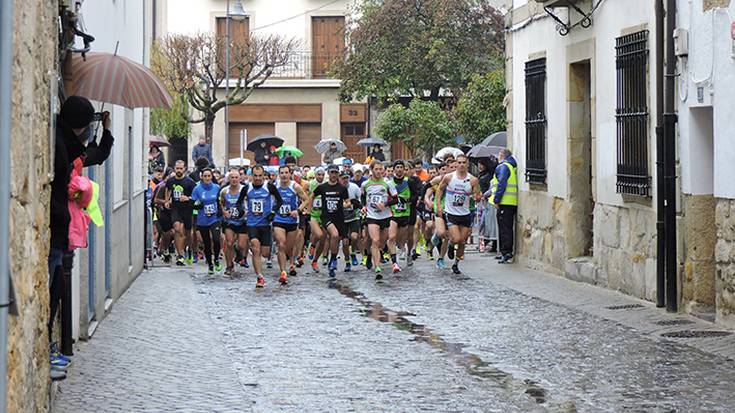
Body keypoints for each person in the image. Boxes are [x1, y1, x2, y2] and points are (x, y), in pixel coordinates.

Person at [49, 96, 114, 378]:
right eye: (87, 124)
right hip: (63, 227)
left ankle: (57, 347)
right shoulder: (62, 149)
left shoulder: (72, 148)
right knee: (56, 286)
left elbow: (97, 154)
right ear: (78, 125)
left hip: (67, 229)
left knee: (59, 284)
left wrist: (107, 132)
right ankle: (56, 348)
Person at [237, 165, 283, 287]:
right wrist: (241, 211)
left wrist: (273, 212)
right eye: (255, 176)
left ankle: (268, 255)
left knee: (265, 253)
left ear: (263, 175)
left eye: (260, 176)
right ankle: (259, 277)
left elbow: (279, 200)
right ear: (252, 175)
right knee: (255, 248)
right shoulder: (247, 188)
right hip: (252, 223)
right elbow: (239, 202)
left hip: (265, 224)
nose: (257, 178)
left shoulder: (269, 187)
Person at [436, 154, 481, 274]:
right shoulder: (449, 177)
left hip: (465, 213)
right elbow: (440, 190)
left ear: (467, 164)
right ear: (456, 164)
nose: (461, 165)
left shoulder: (473, 180)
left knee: (462, 241)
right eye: (459, 163)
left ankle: (456, 264)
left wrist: (477, 197)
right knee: (456, 238)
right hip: (451, 212)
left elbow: (477, 194)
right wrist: (439, 206)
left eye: (463, 163)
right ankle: (451, 244)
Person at [361, 161, 398, 279]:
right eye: (376, 169)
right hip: (372, 216)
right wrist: (363, 206)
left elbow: (396, 199)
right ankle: (377, 267)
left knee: (381, 242)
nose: (378, 171)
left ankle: (372, 253)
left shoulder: (388, 183)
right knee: (375, 240)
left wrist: (385, 204)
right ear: (371, 170)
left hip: (385, 216)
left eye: (380, 169)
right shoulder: (365, 184)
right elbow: (362, 197)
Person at [312, 164, 351, 277]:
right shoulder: (322, 187)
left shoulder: (342, 188)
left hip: (339, 218)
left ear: (338, 174)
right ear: (328, 174)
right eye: (331, 172)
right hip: (326, 217)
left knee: (342, 241)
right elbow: (312, 196)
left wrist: (346, 204)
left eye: (335, 172)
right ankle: (333, 260)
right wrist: (310, 210)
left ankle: (333, 260)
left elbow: (348, 202)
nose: (333, 175)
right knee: (334, 235)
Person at [273, 165, 309, 282]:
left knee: (289, 247)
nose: (284, 175)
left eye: (286, 173)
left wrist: (297, 211)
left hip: (292, 220)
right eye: (282, 173)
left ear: (290, 174)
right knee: (281, 244)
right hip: (278, 219)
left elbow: (307, 199)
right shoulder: (274, 186)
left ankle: (292, 263)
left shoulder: (295, 186)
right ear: (279, 174)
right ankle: (283, 271)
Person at [165, 160, 197, 266]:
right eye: (177, 168)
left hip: (187, 210)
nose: (179, 170)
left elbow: (195, 197)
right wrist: (167, 201)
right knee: (178, 230)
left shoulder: (190, 182)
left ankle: (189, 250)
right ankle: (180, 255)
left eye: (181, 168)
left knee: (187, 234)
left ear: (184, 169)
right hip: (176, 209)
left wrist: (187, 198)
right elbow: (168, 191)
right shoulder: (170, 181)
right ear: (174, 168)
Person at [191, 168, 222, 275]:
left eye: (209, 176)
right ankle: (210, 264)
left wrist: (221, 211)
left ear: (211, 177)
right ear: (202, 177)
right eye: (205, 176)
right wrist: (199, 206)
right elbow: (192, 204)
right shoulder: (197, 189)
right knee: (207, 243)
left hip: (215, 218)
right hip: (203, 219)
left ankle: (217, 258)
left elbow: (220, 201)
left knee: (216, 239)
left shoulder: (217, 187)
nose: (207, 178)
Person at [220, 168, 248, 277]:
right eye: (232, 177)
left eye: (236, 177)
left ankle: (238, 252)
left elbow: (250, 201)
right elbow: (221, 203)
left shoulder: (244, 189)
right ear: (229, 179)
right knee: (229, 243)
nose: (234, 179)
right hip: (229, 221)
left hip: (242, 221)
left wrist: (246, 211)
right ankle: (229, 266)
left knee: (241, 246)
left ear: (240, 179)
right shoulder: (224, 191)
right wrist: (224, 211)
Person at [493, 148, 518, 264]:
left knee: (504, 229)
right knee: (507, 227)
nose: (498, 157)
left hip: (504, 202)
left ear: (502, 155)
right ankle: (506, 251)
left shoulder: (503, 166)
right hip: (511, 202)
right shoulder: (511, 166)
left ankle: (506, 252)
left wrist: (496, 200)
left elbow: (502, 183)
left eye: (499, 154)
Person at [340, 170, 362, 272]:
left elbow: (360, 202)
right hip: (342, 219)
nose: (345, 180)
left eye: (347, 178)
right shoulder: (337, 189)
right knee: (345, 242)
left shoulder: (354, 187)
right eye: (343, 178)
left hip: (354, 216)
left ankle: (353, 252)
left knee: (354, 236)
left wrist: (355, 204)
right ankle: (347, 261)